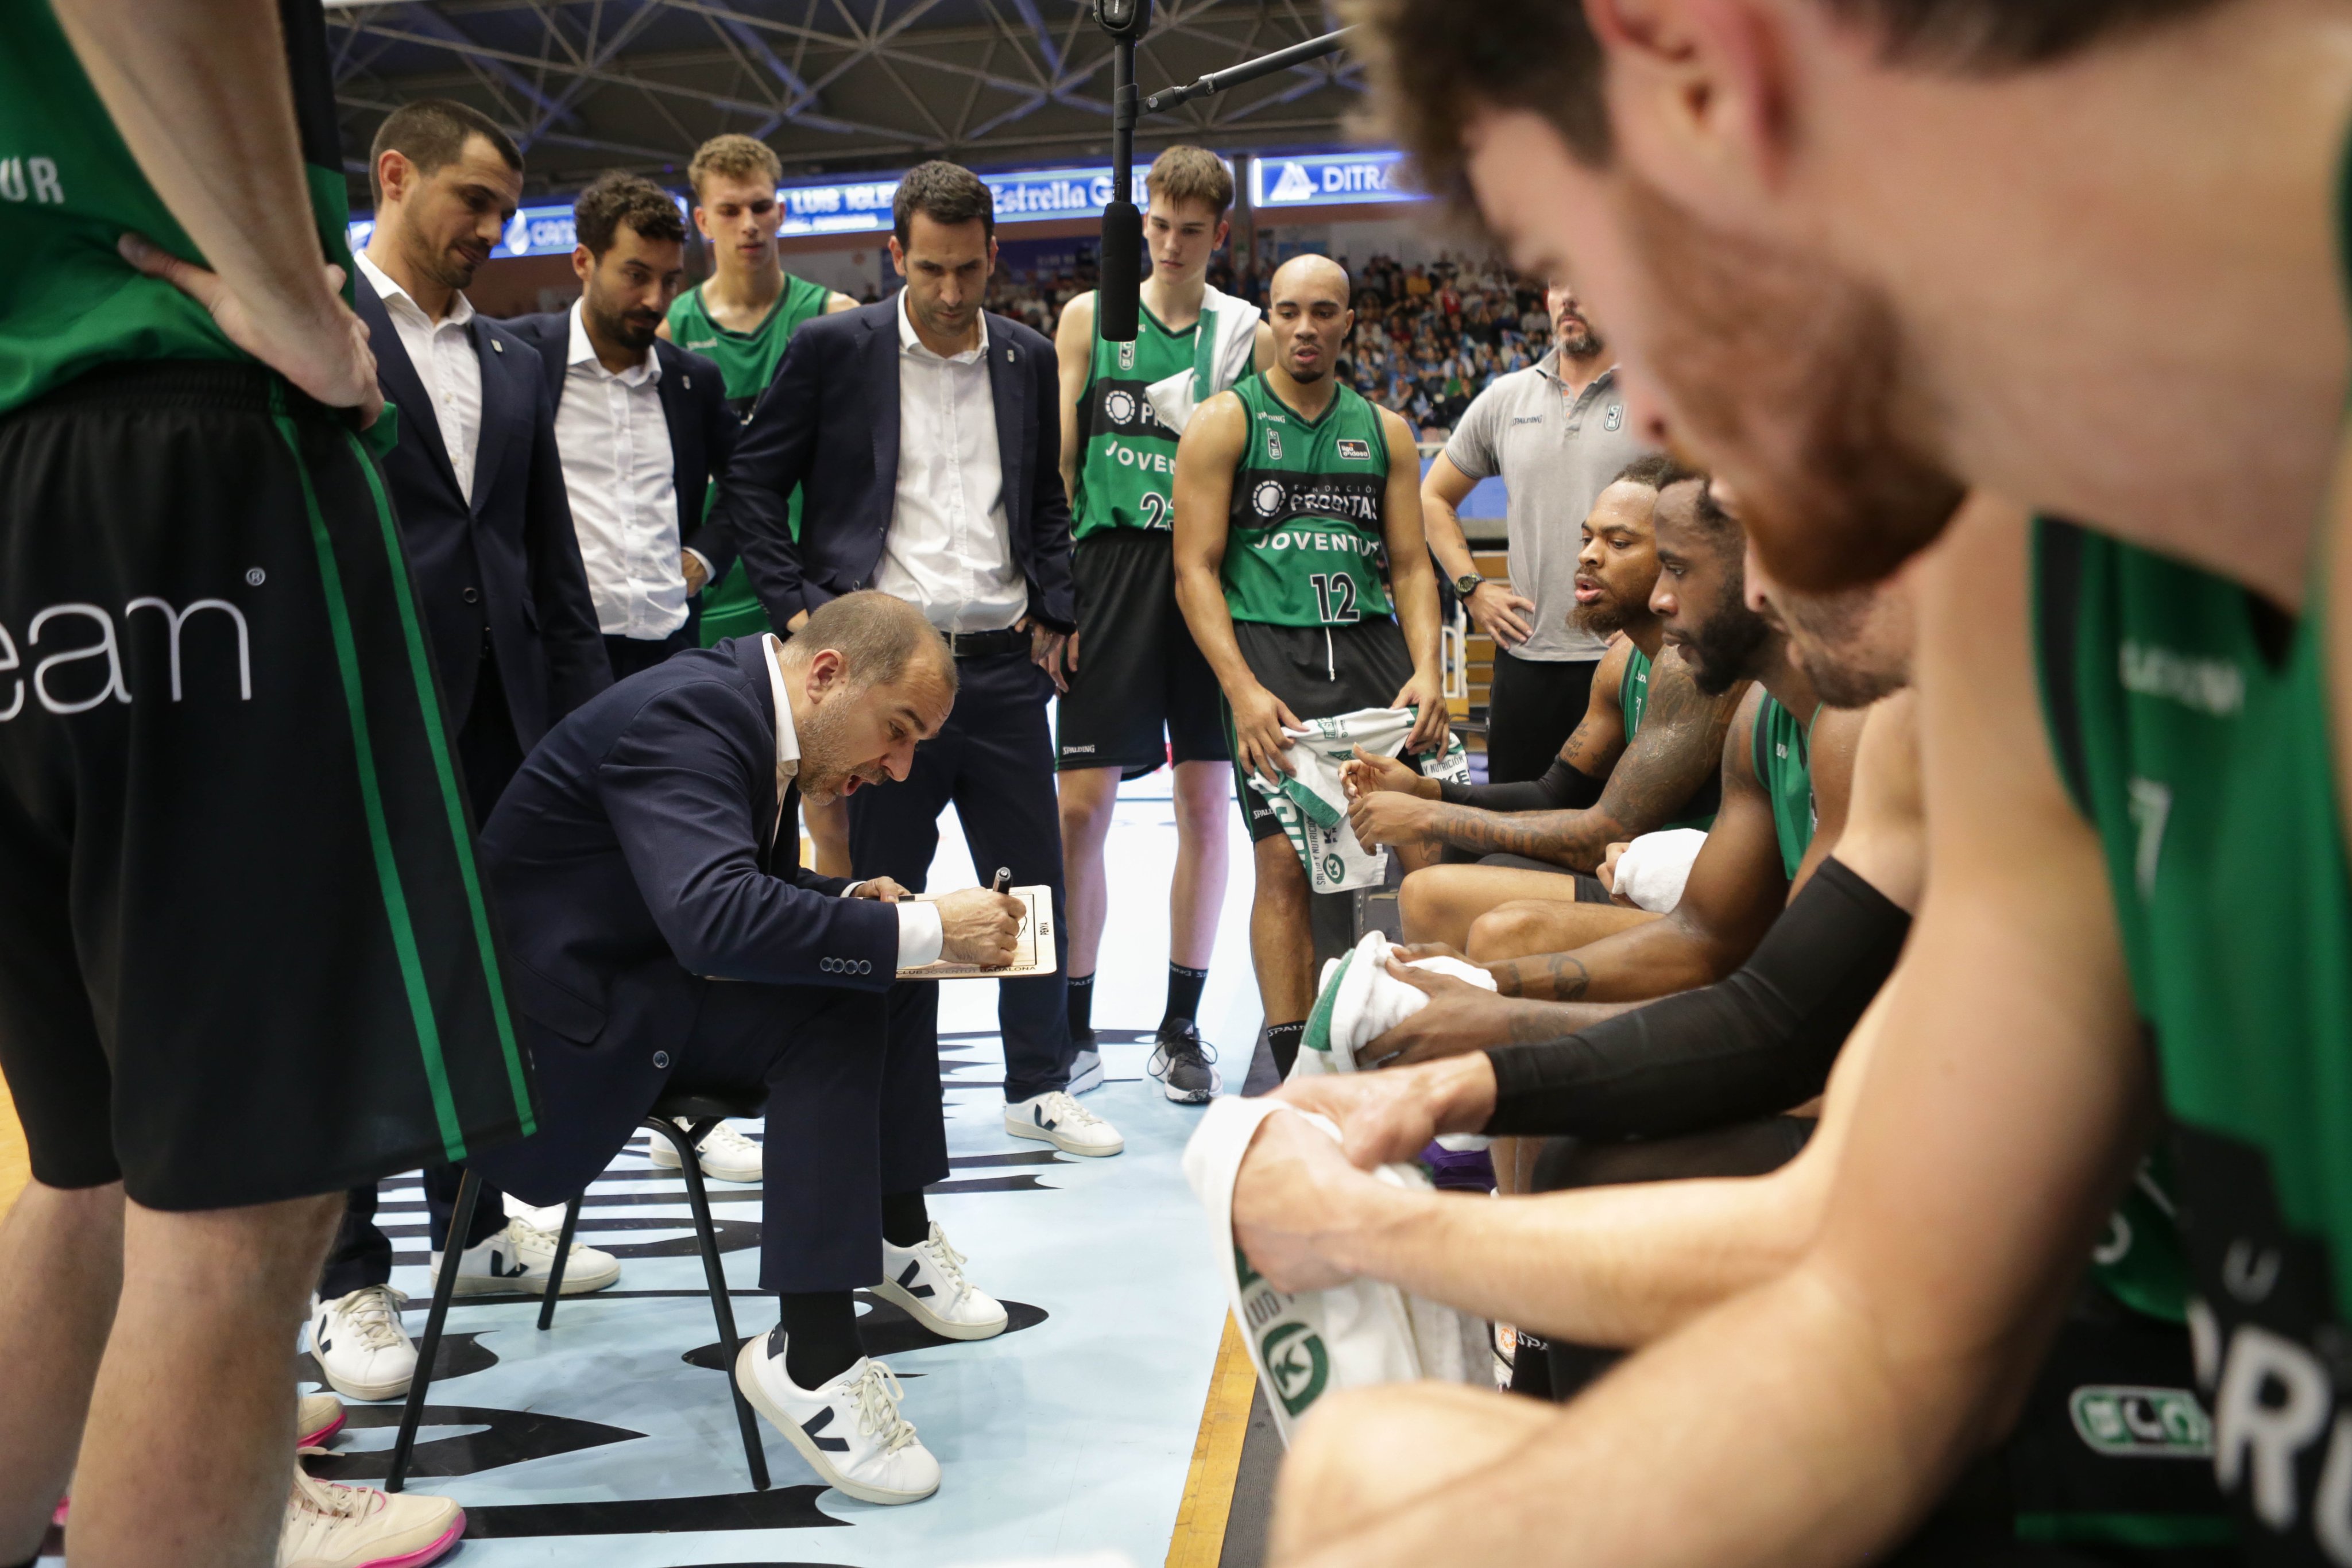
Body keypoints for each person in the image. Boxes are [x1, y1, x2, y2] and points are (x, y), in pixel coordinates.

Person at [1265, 0, 2352, 1562]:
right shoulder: (2032, 531)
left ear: (1694, 66)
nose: (1643, 413)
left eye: (1582, 259)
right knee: (1365, 1485)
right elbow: (1889, 1322)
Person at [0, 2, 529, 1562]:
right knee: (236, 1211)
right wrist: (299, 302)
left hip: (31, 455)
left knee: (89, 1174)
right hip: (173, 450)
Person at [466, 592, 1026, 1508]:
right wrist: (920, 926)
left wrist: (857, 909)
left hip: (636, 982)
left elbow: (719, 879)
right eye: (897, 730)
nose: (898, 766)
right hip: (557, 1039)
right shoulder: (689, 716)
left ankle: (892, 1234)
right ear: (829, 673)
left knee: (885, 959)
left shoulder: (745, 708)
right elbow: (710, 917)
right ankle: (812, 1357)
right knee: (845, 1000)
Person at [711, 160, 1123, 1158]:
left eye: (968, 270)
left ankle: (1037, 1084)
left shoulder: (1024, 357)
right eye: (929, 269)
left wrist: (1057, 607)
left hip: (1000, 664)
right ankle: (888, 1087)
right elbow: (751, 486)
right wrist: (805, 613)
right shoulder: (832, 350)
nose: (948, 294)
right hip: (882, 674)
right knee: (886, 891)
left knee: (1030, 883)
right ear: (896, 255)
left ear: (994, 256)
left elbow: (1043, 501)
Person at [317, 98, 620, 1407]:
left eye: (506, 211)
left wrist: (582, 727)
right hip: (358, 714)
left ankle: (476, 1223)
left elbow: (545, 556)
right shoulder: (318, 321)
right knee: (353, 992)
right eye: (473, 204)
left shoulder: (512, 353)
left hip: (505, 715)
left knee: (486, 970)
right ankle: (342, 1277)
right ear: (395, 176)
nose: (493, 232)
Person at [1170, 254, 1449, 1083]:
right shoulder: (1225, 421)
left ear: (1349, 322)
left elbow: (1410, 564)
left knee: (1427, 842)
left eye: (1323, 312)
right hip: (1271, 659)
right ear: (1268, 318)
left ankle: (1443, 1041)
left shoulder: (1387, 431)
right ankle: (1297, 1071)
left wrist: (1431, 667)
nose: (1304, 328)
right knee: (1285, 860)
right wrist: (1242, 688)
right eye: (1288, 311)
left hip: (1372, 649)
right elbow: (1195, 569)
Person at [1431, 480, 1864, 986]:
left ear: (1763, 573)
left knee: (1492, 927)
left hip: (1798, 983)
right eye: (1586, 539)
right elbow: (1707, 934)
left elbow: (1796, 986)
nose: (1661, 599)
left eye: (1677, 570)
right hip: (1726, 922)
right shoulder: (1755, 712)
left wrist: (1431, 812)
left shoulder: (1848, 729)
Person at [1051, 145, 1273, 1103]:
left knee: (1204, 804)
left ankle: (1180, 1026)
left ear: (1219, 233)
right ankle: (1068, 1021)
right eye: (1160, 225)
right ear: (1141, 223)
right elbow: (1063, 466)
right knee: (1079, 807)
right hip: (1109, 570)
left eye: (1193, 228)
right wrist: (1058, 596)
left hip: (1208, 575)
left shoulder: (1246, 332)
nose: (1174, 242)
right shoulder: (1086, 319)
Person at [1343, 454, 1736, 928]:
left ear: (1675, 557)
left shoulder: (1688, 666)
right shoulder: (1621, 661)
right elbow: (1554, 794)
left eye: (1619, 542)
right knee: (1455, 865)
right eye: (1587, 538)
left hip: (1703, 903)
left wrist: (1429, 815)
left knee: (1436, 892)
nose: (1589, 555)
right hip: (1639, 877)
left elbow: (1602, 833)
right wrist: (1425, 790)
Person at [660, 133, 860, 879]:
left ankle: (842, 946)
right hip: (711, 593)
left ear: (781, 212)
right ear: (701, 219)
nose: (748, 223)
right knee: (725, 787)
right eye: (730, 209)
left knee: (828, 801)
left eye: (761, 206)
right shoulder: (669, 329)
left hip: (805, 589)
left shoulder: (832, 317)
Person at [509, 172, 737, 684]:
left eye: (670, 280)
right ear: (583, 262)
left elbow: (746, 482)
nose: (656, 300)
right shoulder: (517, 358)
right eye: (636, 276)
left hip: (670, 648)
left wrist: (705, 555)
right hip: (553, 651)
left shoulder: (692, 380)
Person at [1422, 284, 1653, 782]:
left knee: (1626, 845)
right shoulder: (1507, 398)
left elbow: (1710, 514)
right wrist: (1471, 588)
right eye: (1556, 282)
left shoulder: (1659, 395)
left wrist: (1657, 611)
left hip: (1630, 659)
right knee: (1513, 839)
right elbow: (1432, 497)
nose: (1569, 296)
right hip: (1526, 660)